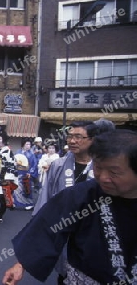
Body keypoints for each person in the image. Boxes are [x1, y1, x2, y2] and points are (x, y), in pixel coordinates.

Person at [2, 129, 137, 285]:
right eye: (98, 167)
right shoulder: (81, 195)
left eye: (114, 172)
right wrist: (21, 264)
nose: (103, 177)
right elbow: (49, 227)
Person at [33, 120, 114, 284]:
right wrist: (38, 228)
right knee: (64, 273)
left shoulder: (103, 166)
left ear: (93, 139)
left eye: (78, 137)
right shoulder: (58, 165)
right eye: (69, 136)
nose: (72, 141)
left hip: (94, 234)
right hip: (64, 231)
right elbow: (45, 199)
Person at [13, 138, 38, 210]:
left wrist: (30, 173)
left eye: (29, 144)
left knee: (27, 188)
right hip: (18, 172)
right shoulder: (18, 152)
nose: (28, 146)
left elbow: (34, 165)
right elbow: (14, 160)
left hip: (27, 172)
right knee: (16, 188)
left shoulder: (31, 154)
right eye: (27, 144)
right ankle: (15, 202)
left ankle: (29, 204)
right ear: (23, 144)